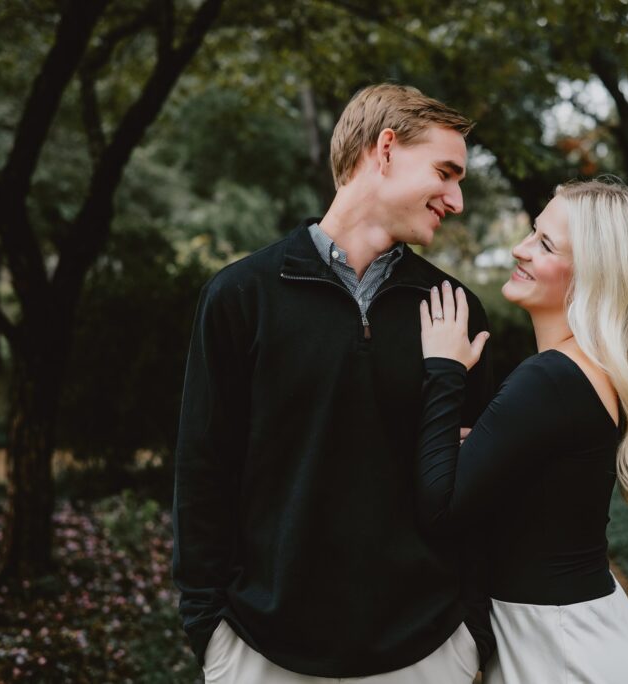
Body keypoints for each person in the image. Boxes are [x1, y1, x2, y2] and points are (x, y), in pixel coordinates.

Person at [172, 83, 496, 683]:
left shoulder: (456, 310)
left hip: (425, 651)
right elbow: (202, 471)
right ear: (387, 149)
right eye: (447, 173)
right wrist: (208, 630)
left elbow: (475, 488)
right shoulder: (243, 296)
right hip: (261, 650)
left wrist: (470, 632)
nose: (456, 200)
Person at [416, 179, 628, 683]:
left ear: (593, 277)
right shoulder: (594, 371)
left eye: (544, 244)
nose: (520, 249)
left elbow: (439, 508)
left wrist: (442, 369)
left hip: (558, 651)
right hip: (580, 633)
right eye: (532, 233)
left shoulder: (551, 379)